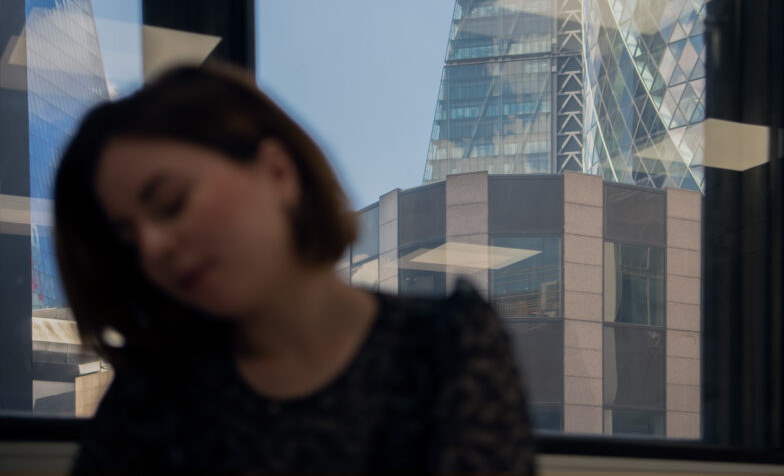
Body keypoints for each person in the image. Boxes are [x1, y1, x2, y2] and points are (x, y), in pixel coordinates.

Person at [55, 63, 535, 474]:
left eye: (170, 202)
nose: (153, 247)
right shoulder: (151, 391)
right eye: (128, 236)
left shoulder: (447, 350)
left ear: (278, 171)